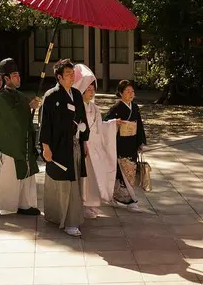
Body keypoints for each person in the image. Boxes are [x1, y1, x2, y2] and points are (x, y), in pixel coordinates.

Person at [0, 58, 41, 215]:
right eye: (14, 75)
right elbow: (10, 118)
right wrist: (28, 107)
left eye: (18, 75)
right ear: (6, 78)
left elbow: (23, 113)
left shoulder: (20, 96)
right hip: (9, 144)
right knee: (7, 175)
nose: (18, 78)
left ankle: (25, 204)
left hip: (24, 142)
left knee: (26, 174)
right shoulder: (2, 98)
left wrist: (30, 106)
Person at [39, 59, 90, 236]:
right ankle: (64, 219)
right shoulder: (51, 96)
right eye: (68, 74)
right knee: (62, 183)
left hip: (74, 144)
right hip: (58, 146)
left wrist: (84, 140)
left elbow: (82, 118)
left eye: (72, 73)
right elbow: (45, 124)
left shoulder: (76, 94)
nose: (71, 76)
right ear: (59, 77)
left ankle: (71, 218)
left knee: (74, 182)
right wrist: (45, 147)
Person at [72, 64, 121, 219]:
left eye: (93, 89)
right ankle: (82, 204)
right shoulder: (77, 108)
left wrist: (113, 124)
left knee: (94, 178)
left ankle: (91, 205)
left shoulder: (95, 108)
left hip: (95, 147)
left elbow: (101, 127)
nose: (92, 92)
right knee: (84, 178)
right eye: (89, 89)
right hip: (84, 146)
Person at [104, 80, 146, 212]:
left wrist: (140, 142)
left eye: (132, 91)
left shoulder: (135, 107)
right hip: (120, 143)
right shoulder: (116, 108)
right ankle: (129, 200)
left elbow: (139, 125)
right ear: (120, 93)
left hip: (132, 143)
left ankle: (122, 197)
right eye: (127, 91)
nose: (131, 93)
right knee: (122, 172)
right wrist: (114, 123)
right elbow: (105, 122)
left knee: (130, 172)